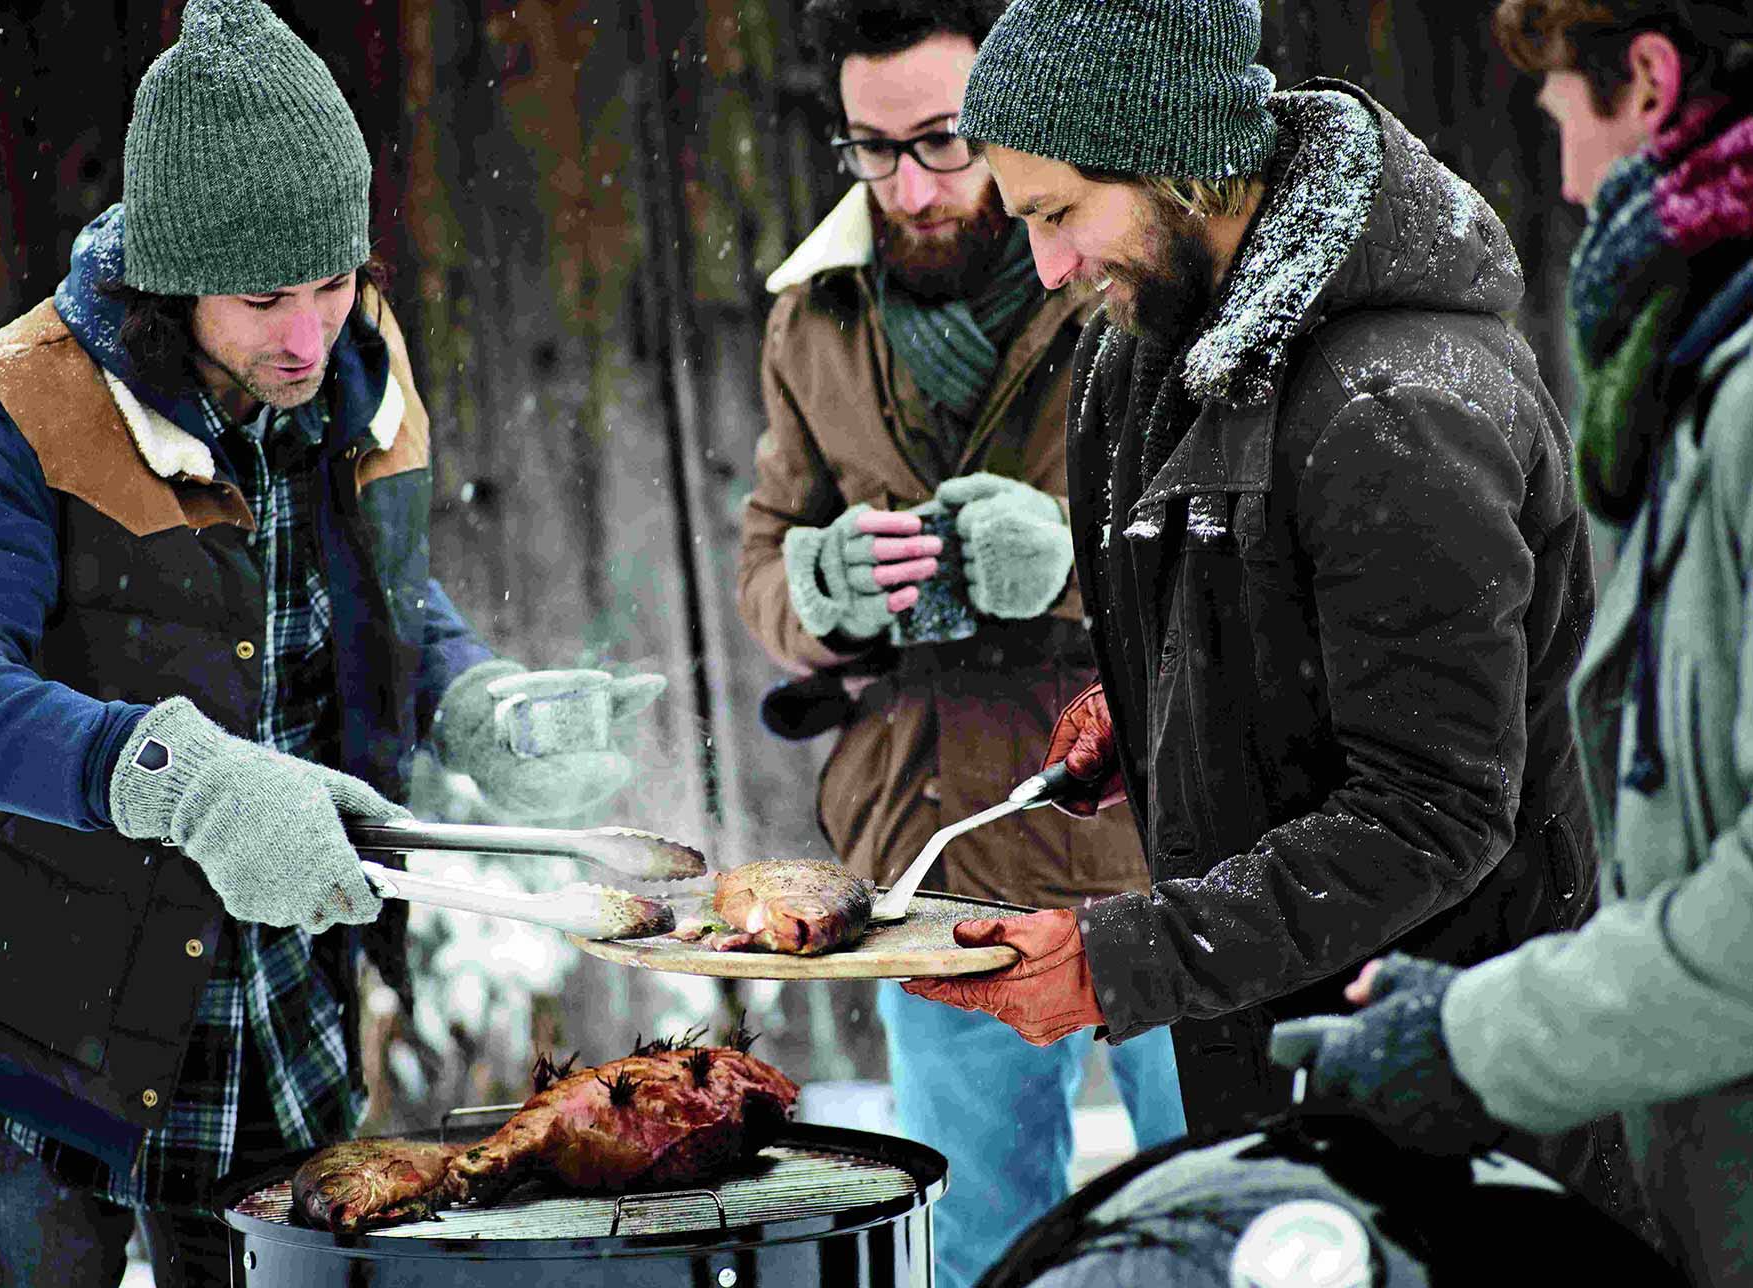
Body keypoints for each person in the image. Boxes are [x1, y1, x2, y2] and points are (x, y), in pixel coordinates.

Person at [0, 3, 656, 1283]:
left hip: (283, 1017)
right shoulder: (27, 407)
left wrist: (477, 705)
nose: (307, 333)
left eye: (334, 282)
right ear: (178, 273)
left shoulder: (352, 363)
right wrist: (180, 779)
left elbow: (381, 601)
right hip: (50, 1020)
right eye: (262, 296)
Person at [898, 0, 1648, 1226]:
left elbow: (1434, 809)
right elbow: (1263, 617)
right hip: (1268, 1075)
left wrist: (1115, 963)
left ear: (1184, 163)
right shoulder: (1143, 348)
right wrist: (1150, 710)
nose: (1045, 268)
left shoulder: (1401, 409)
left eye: (1058, 213)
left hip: (1453, 1100)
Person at [1267, 4, 1753, 1282]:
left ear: (1648, 80)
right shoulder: (1703, 374)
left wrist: (1475, 1038)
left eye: (1559, 120)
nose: (1569, 182)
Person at [735, 2, 1184, 1281]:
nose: (909, 187)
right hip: (940, 854)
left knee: (1228, 1203)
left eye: (942, 141)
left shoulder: (1125, 266)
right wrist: (817, 596)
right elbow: (767, 550)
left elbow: (1238, 543)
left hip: (1156, 831)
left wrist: (1072, 561)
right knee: (980, 1249)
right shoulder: (814, 312)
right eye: (872, 151)